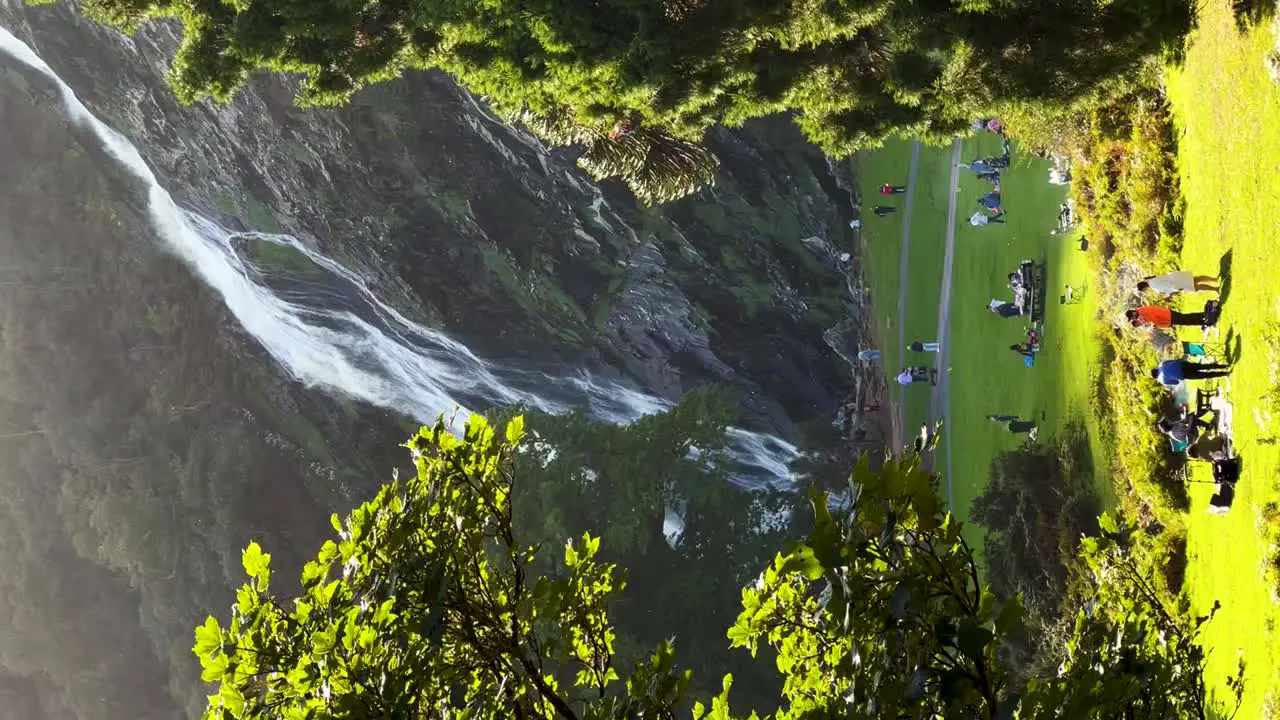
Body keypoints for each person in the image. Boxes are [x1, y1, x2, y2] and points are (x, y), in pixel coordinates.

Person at [1151, 358, 1231, 386]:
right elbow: (1172, 361)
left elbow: (1175, 383)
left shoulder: (1163, 381)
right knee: (1202, 366)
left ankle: (1224, 373)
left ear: (1156, 377)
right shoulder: (1162, 364)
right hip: (1183, 365)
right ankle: (1223, 366)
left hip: (1184, 374)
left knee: (1203, 375)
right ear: (1155, 368)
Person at [1136, 271, 1219, 295]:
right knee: (1196, 279)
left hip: (1176, 284)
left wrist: (1171, 292)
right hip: (1175, 277)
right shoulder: (1150, 280)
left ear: (1144, 287)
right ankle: (1214, 280)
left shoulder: (1154, 286)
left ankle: (1215, 289)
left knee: (1196, 287)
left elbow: (1167, 286)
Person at [1125, 306, 1209, 328]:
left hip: (1168, 316)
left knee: (1186, 320)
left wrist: (1153, 326)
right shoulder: (1140, 313)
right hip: (1168, 318)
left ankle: (1204, 319)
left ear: (1133, 314)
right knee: (1186, 319)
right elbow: (1154, 321)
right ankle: (1203, 319)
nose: (1133, 319)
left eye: (1132, 317)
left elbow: (1154, 320)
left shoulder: (1142, 312)